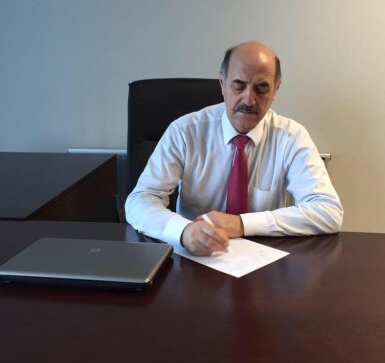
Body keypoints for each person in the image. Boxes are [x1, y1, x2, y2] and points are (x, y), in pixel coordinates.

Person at [125, 41, 343, 256]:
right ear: (222, 83)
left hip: (265, 259)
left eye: (261, 88)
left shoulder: (291, 137)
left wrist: (241, 224)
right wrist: (183, 231)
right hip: (196, 256)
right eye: (238, 85)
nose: (249, 99)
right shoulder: (185, 131)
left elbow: (328, 211)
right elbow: (140, 201)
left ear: (276, 89)